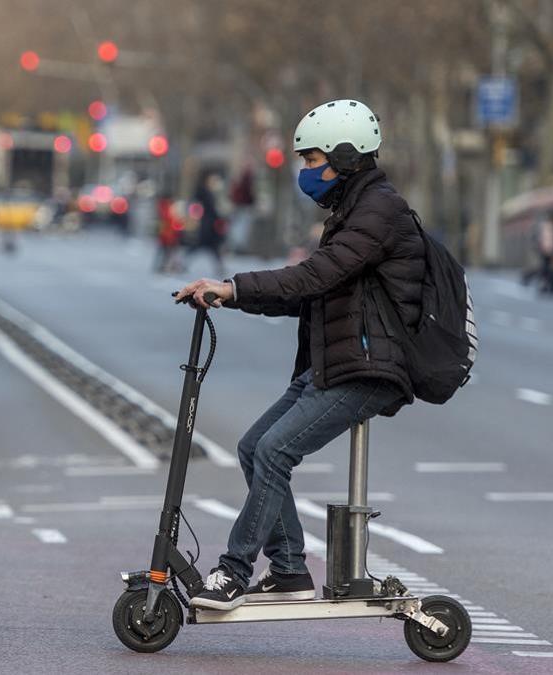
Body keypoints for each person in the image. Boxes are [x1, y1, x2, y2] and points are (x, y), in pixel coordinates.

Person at [177, 99, 425, 610]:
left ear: (346, 157)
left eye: (312, 161)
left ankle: (233, 570)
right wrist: (230, 296)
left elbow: (315, 276)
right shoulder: (352, 209)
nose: (305, 173)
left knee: (274, 452)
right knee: (252, 447)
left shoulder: (379, 211)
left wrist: (234, 287)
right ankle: (289, 569)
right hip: (333, 362)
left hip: (365, 368)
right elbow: (309, 296)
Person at [186, 172, 227, 277]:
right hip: (207, 225)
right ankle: (181, 262)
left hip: (211, 225)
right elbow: (196, 205)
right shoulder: (204, 192)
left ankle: (220, 268)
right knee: (201, 246)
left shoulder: (211, 193)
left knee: (211, 248)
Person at [228, 164, 256, 253]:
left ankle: (238, 246)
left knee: (240, 228)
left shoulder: (242, 181)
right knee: (242, 228)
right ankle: (239, 246)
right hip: (243, 207)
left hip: (241, 206)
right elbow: (248, 194)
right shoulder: (246, 181)